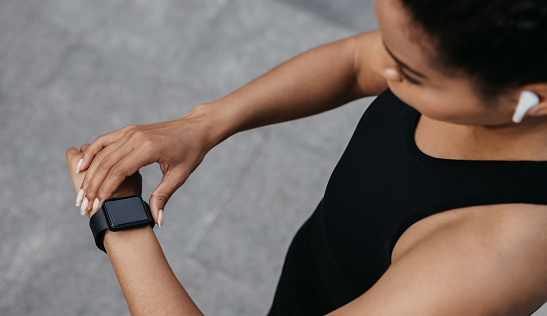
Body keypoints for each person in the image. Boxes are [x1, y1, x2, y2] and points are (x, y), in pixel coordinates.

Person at [67, 0, 547, 314]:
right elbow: (358, 62)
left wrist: (119, 219)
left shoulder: (495, 256)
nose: (385, 67)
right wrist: (204, 123)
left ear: (534, 95)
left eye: (409, 72)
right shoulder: (480, 42)